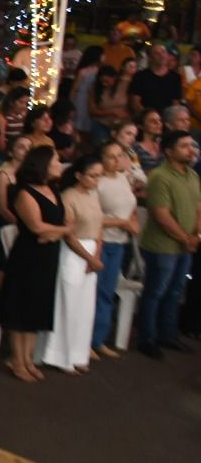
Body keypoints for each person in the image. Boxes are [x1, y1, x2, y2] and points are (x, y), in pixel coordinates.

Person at [0, 147, 68, 381]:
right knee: (22, 309)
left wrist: (55, 232)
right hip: (28, 256)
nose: (60, 163)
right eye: (56, 160)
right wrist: (62, 230)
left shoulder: (53, 190)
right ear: (43, 164)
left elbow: (65, 222)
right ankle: (17, 360)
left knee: (38, 308)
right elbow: (37, 227)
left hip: (48, 255)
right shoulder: (23, 193)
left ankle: (28, 358)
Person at [135, 130, 201, 360]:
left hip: (186, 246)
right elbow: (161, 215)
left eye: (191, 145)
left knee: (175, 291)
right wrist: (185, 238)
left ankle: (168, 334)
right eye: (184, 146)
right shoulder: (160, 176)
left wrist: (197, 235)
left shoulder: (192, 175)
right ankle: (147, 338)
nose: (190, 150)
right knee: (156, 291)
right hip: (162, 246)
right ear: (169, 151)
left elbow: (198, 208)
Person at [40, 152, 105, 375]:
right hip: (74, 253)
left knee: (85, 308)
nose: (96, 181)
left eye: (99, 176)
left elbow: (99, 227)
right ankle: (60, 355)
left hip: (91, 252)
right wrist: (89, 258)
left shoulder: (93, 196)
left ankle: (79, 353)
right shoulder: (68, 196)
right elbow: (68, 234)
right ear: (79, 175)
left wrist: (96, 255)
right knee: (68, 305)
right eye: (92, 176)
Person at [91, 140, 137, 358]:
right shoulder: (97, 182)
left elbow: (131, 205)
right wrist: (121, 223)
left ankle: (98, 339)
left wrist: (132, 222)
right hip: (101, 241)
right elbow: (91, 216)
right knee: (94, 292)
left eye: (119, 155)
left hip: (119, 243)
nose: (116, 160)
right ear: (102, 158)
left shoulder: (123, 178)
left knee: (108, 293)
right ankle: (86, 340)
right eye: (111, 156)